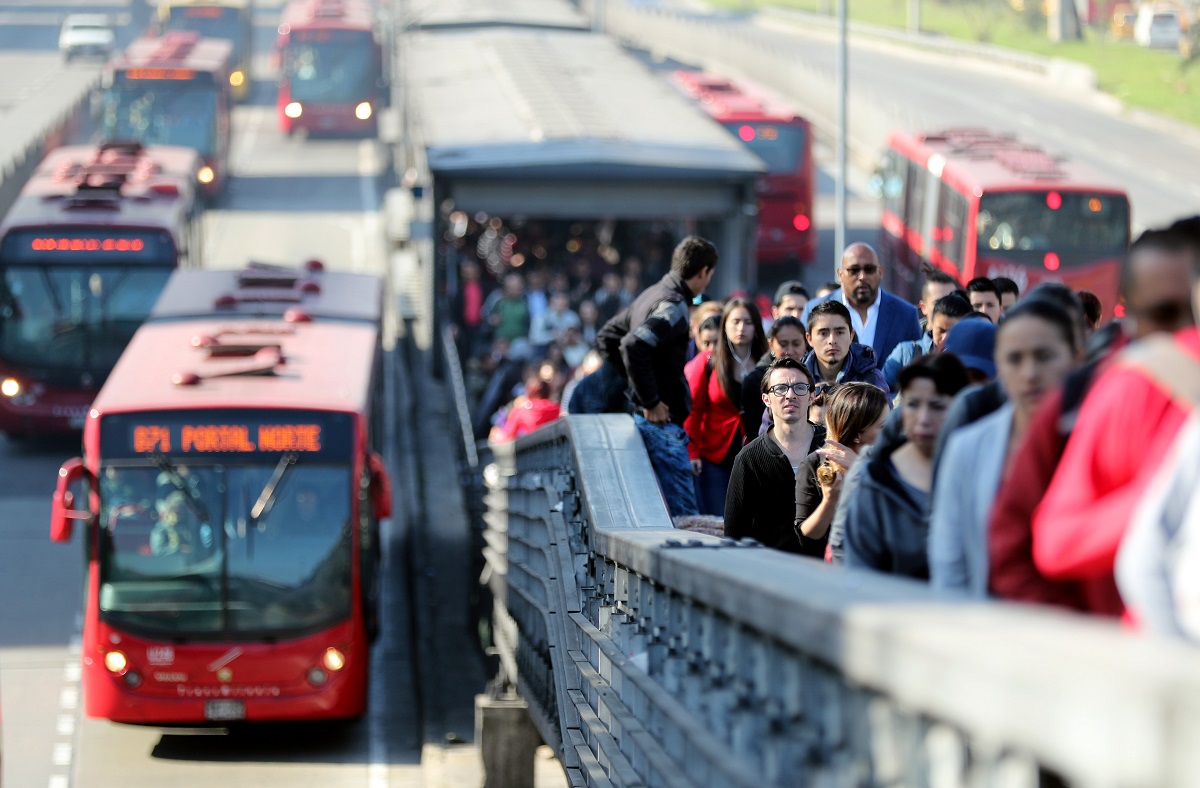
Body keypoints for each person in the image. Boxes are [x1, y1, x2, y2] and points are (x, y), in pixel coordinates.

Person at [1029, 224, 1200, 608]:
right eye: (1165, 314)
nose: (1185, 335)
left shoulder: (1129, 384)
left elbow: (1057, 542)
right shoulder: (1123, 386)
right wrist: (1169, 501)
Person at [929, 299, 1081, 596]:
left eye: (1044, 356)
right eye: (1014, 359)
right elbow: (950, 562)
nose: (1030, 373)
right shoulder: (967, 448)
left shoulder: (1100, 437)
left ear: (1076, 358)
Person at [595, 235, 720, 518]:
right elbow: (632, 345)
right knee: (685, 521)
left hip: (645, 421)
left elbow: (608, 337)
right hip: (662, 428)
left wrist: (638, 389)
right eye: (709, 275)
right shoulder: (674, 306)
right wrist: (650, 399)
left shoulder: (651, 293)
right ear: (703, 272)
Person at [834, 354, 969, 577]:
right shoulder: (874, 474)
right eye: (913, 405)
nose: (923, 418)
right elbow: (849, 556)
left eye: (937, 406)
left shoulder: (981, 469)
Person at [724, 357, 826, 551]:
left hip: (827, 571)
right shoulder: (749, 459)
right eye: (780, 388)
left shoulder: (831, 447)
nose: (790, 395)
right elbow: (734, 535)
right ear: (766, 399)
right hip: (770, 572)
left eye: (800, 387)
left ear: (812, 396)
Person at [684, 298, 768, 515]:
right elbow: (694, 411)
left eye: (748, 322)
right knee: (718, 521)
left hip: (757, 456)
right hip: (715, 456)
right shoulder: (708, 361)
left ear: (756, 327)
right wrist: (692, 452)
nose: (741, 328)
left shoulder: (767, 363)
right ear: (725, 326)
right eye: (735, 321)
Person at [794, 382, 889, 558]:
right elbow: (807, 536)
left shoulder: (892, 460)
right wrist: (829, 500)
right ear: (856, 434)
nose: (890, 432)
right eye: (883, 427)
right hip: (831, 572)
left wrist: (861, 469)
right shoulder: (815, 465)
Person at [803, 243, 923, 364]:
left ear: (880, 272)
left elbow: (916, 366)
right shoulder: (813, 310)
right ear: (840, 274)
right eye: (854, 270)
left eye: (869, 270)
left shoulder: (906, 314)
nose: (862, 277)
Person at [882, 285, 970, 391]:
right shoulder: (907, 353)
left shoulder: (973, 362)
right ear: (932, 324)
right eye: (941, 331)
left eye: (954, 332)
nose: (946, 337)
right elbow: (880, 394)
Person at [741, 316, 807, 439]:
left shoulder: (815, 372)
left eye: (796, 344)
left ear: (806, 342)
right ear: (771, 344)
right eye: (783, 344)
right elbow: (753, 432)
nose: (790, 351)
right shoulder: (755, 381)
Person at [803, 300, 888, 391]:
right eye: (823, 333)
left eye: (839, 332)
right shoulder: (795, 378)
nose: (832, 341)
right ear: (809, 339)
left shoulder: (871, 380)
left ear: (851, 336)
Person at [489, 376, 561, 443]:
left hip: (531, 449)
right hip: (553, 448)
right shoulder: (555, 408)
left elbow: (508, 435)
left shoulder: (522, 410)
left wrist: (495, 434)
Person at [482, 272, 531, 344]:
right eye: (516, 287)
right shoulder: (496, 297)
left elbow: (530, 321)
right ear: (507, 288)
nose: (520, 289)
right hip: (500, 340)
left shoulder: (526, 298)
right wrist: (491, 319)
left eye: (520, 286)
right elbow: (484, 313)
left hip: (521, 339)